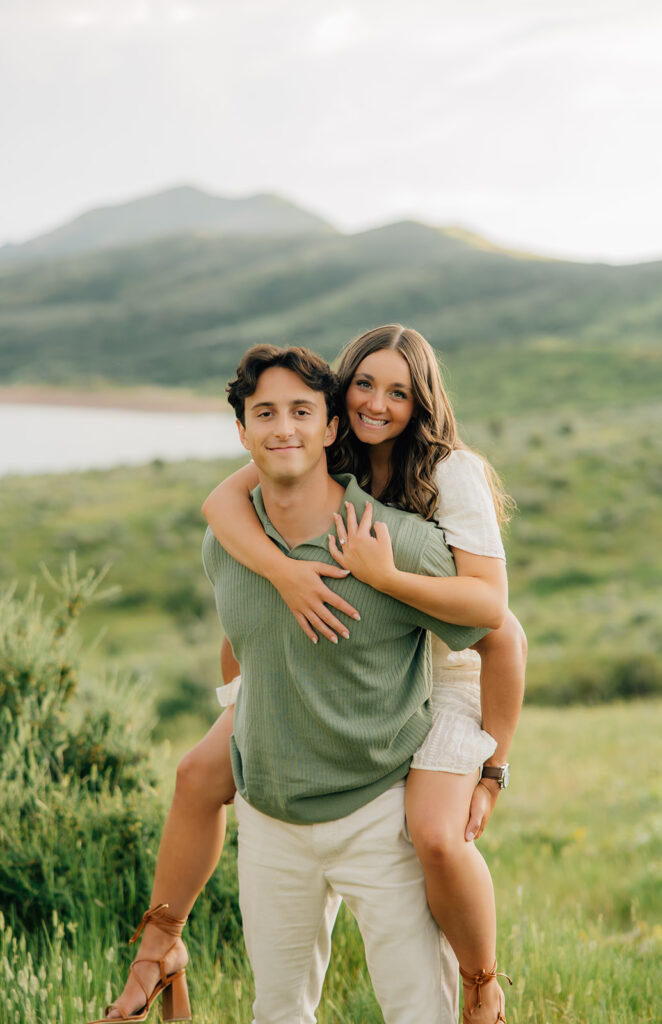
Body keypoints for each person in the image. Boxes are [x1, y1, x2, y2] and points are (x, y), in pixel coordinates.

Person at [95, 331, 524, 1024]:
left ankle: (482, 983)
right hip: (279, 791)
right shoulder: (245, 522)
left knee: (437, 841)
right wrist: (276, 592)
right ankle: (160, 943)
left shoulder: (441, 486)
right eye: (264, 415)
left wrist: (491, 768)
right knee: (198, 774)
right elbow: (240, 612)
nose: (376, 404)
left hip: (434, 676)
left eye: (397, 392)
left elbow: (496, 623)